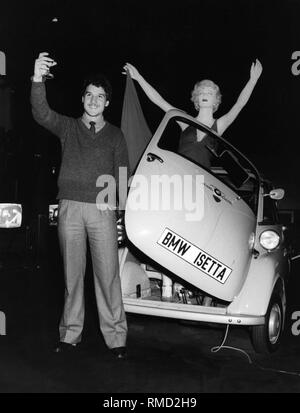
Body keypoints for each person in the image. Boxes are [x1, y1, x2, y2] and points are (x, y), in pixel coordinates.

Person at [31, 52, 129, 359]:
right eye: (90, 95)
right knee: (72, 277)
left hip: (102, 210)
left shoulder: (116, 135)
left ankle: (116, 339)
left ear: (107, 103)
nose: (94, 100)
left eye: (101, 97)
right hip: (70, 208)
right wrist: (37, 78)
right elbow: (41, 113)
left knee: (108, 277)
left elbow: (122, 175)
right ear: (83, 99)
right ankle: (70, 334)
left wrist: (121, 214)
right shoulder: (68, 127)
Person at [123, 60, 263, 167]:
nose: (204, 94)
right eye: (201, 92)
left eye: (209, 92)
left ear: (216, 101)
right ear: (196, 98)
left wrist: (253, 80)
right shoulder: (185, 120)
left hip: (201, 182)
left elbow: (239, 105)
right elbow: (159, 101)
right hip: (179, 176)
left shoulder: (219, 125)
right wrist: (139, 77)